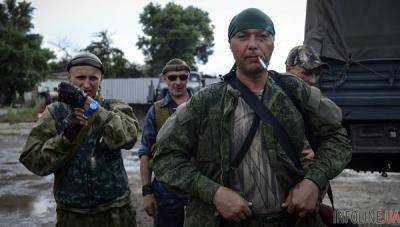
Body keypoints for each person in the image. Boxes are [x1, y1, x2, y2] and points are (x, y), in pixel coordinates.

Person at [152, 8, 352, 227]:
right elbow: (164, 158)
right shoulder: (206, 101)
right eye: (243, 36)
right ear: (230, 44)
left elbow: (339, 138)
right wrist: (215, 193)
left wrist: (314, 181)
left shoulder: (294, 91)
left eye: (262, 36)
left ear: (273, 43)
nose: (253, 44)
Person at [19, 52, 139, 227]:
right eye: (80, 78)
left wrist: (93, 107)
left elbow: (130, 137)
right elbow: (32, 160)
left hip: (116, 211)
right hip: (72, 215)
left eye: (93, 78)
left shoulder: (114, 107)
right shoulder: (56, 112)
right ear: (69, 77)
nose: (87, 84)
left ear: (101, 79)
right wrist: (65, 138)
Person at [138, 58, 191, 227]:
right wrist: (147, 193)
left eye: (182, 77)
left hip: (197, 190)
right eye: (172, 78)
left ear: (188, 78)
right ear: (165, 79)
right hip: (165, 192)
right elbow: (145, 152)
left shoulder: (200, 106)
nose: (178, 82)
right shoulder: (156, 110)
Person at [285, 44, 331, 160]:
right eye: (306, 73)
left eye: (317, 74)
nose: (313, 80)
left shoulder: (312, 100)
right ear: (288, 68)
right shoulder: (272, 97)